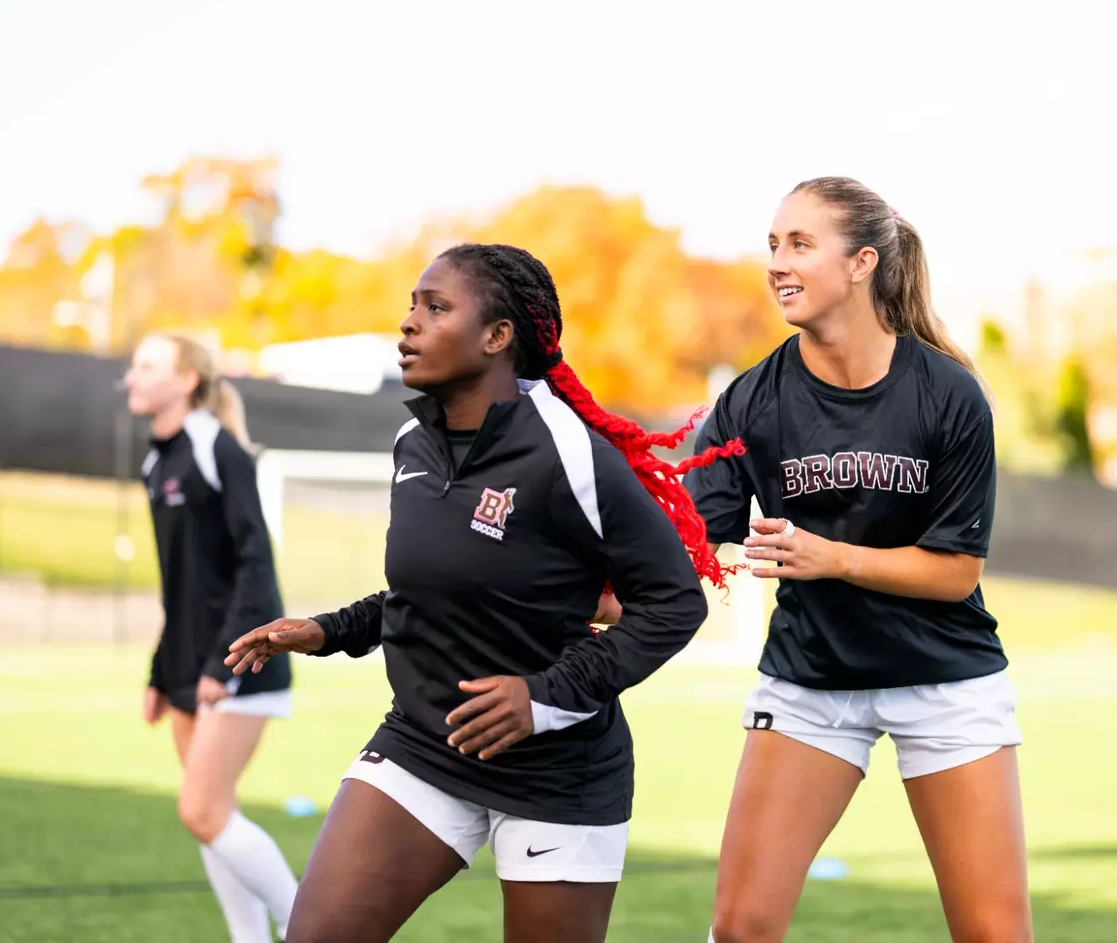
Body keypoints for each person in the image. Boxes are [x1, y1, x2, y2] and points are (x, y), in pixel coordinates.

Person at [224, 243, 739, 943]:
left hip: (559, 776)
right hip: (424, 743)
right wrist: (327, 630)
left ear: (497, 337)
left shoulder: (570, 453)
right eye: (412, 305)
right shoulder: (412, 443)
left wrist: (544, 696)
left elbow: (675, 602)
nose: (409, 323)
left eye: (436, 308)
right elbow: (432, 593)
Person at [686, 178, 1032, 942]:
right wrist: (602, 593)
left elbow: (955, 574)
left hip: (946, 681)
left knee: (994, 936)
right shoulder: (751, 400)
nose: (778, 262)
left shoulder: (949, 394)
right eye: (773, 244)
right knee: (741, 930)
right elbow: (689, 543)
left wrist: (831, 557)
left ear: (862, 263)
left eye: (800, 244)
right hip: (812, 681)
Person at [125, 332, 300, 943]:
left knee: (201, 809)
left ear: (187, 380)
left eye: (147, 366)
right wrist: (158, 672)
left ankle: (311, 925)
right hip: (187, 667)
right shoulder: (155, 460)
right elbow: (178, 588)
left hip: (240, 662)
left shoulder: (217, 449)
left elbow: (256, 563)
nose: (132, 378)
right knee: (211, 817)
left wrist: (223, 667)